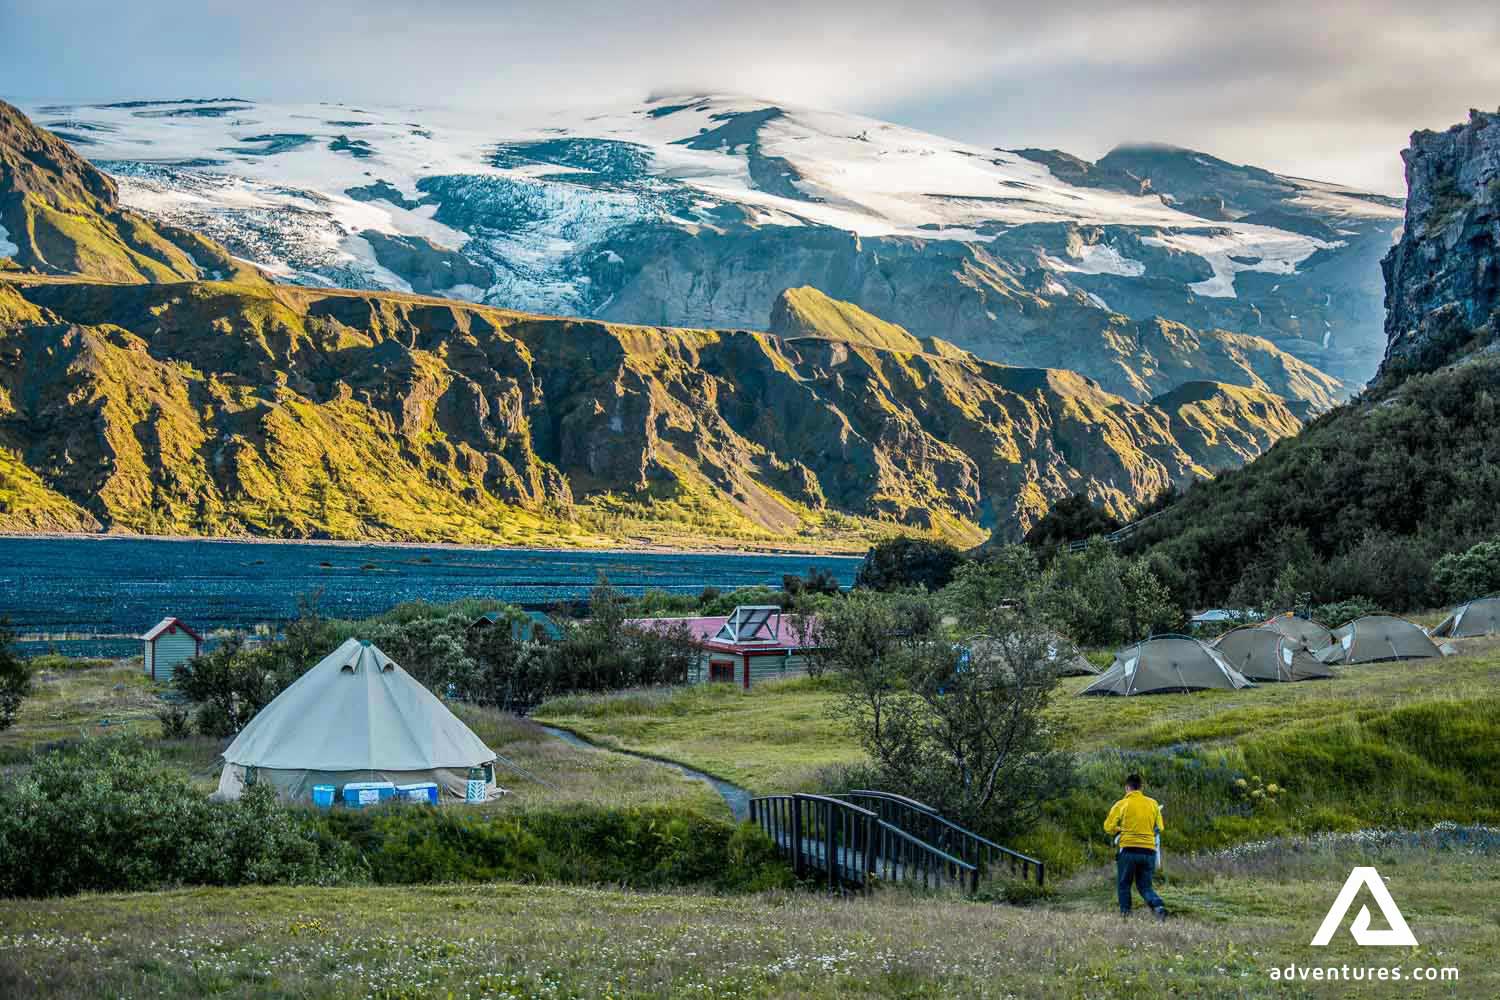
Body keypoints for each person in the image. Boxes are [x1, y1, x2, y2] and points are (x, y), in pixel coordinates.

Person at [1103, 773, 1166, 920]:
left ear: (1127, 788)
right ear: (1141, 787)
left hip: (1129, 851)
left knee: (1124, 884)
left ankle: (1126, 915)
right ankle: (1158, 906)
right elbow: (1160, 828)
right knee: (1145, 886)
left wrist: (1119, 830)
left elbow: (1108, 827)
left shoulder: (1122, 804)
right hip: (1149, 851)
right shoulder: (1153, 803)